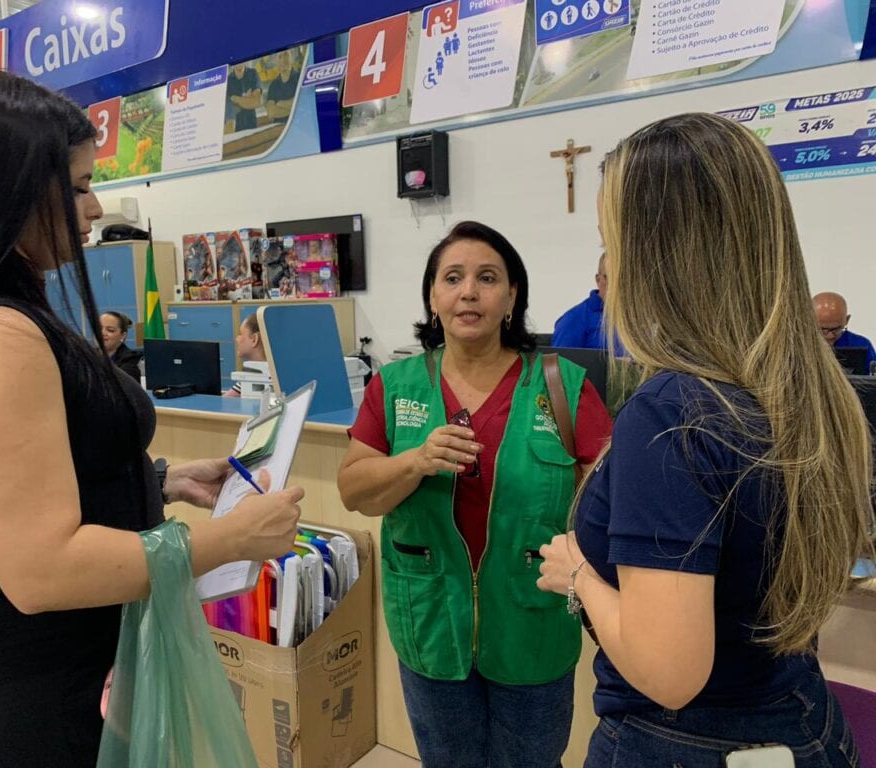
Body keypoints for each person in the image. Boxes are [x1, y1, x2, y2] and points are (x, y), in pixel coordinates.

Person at [0, 70, 304, 768]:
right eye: (79, 185)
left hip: (77, 686)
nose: (96, 206)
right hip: (35, 715)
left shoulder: (10, 317)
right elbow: (42, 569)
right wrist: (228, 541)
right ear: (8, 185)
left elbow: (40, 480)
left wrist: (159, 480)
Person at [538, 113, 871, 767]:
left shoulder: (672, 414)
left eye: (614, 241)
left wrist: (578, 575)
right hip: (799, 718)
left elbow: (669, 672)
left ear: (654, 254)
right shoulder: (806, 391)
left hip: (688, 741)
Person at [337, 221, 613, 768]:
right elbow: (355, 492)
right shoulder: (394, 386)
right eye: (453, 278)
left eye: (488, 278)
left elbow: (607, 502)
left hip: (534, 620)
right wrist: (415, 461)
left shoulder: (562, 385)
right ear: (433, 297)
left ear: (512, 297)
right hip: (431, 620)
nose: (469, 291)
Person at [551, 253, 609, 349]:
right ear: (598, 280)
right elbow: (552, 364)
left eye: (623, 278)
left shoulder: (634, 320)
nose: (617, 285)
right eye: (611, 278)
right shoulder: (574, 319)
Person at [813, 291, 876, 371]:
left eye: (836, 329)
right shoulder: (799, 345)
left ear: (846, 320)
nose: (830, 336)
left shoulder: (861, 344)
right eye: (822, 329)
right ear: (810, 321)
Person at [224, 314, 267, 398]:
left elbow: (223, 403)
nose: (237, 339)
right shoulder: (251, 376)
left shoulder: (253, 378)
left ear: (254, 339)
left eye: (241, 333)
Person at [100, 311, 141, 382]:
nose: (102, 333)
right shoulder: (87, 355)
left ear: (122, 336)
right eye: (99, 328)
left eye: (110, 330)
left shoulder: (130, 362)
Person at [264, 49, 300, 124]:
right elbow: (271, 113)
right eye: (280, 57)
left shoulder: (300, 78)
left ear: (292, 57)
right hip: (280, 132)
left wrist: (280, 104)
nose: (283, 60)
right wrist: (293, 107)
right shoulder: (273, 85)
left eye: (286, 55)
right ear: (276, 61)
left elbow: (303, 103)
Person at [225, 61, 262, 133]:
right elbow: (231, 109)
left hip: (252, 125)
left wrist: (237, 99)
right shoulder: (228, 81)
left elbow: (256, 102)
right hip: (235, 128)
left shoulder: (253, 73)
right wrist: (247, 98)